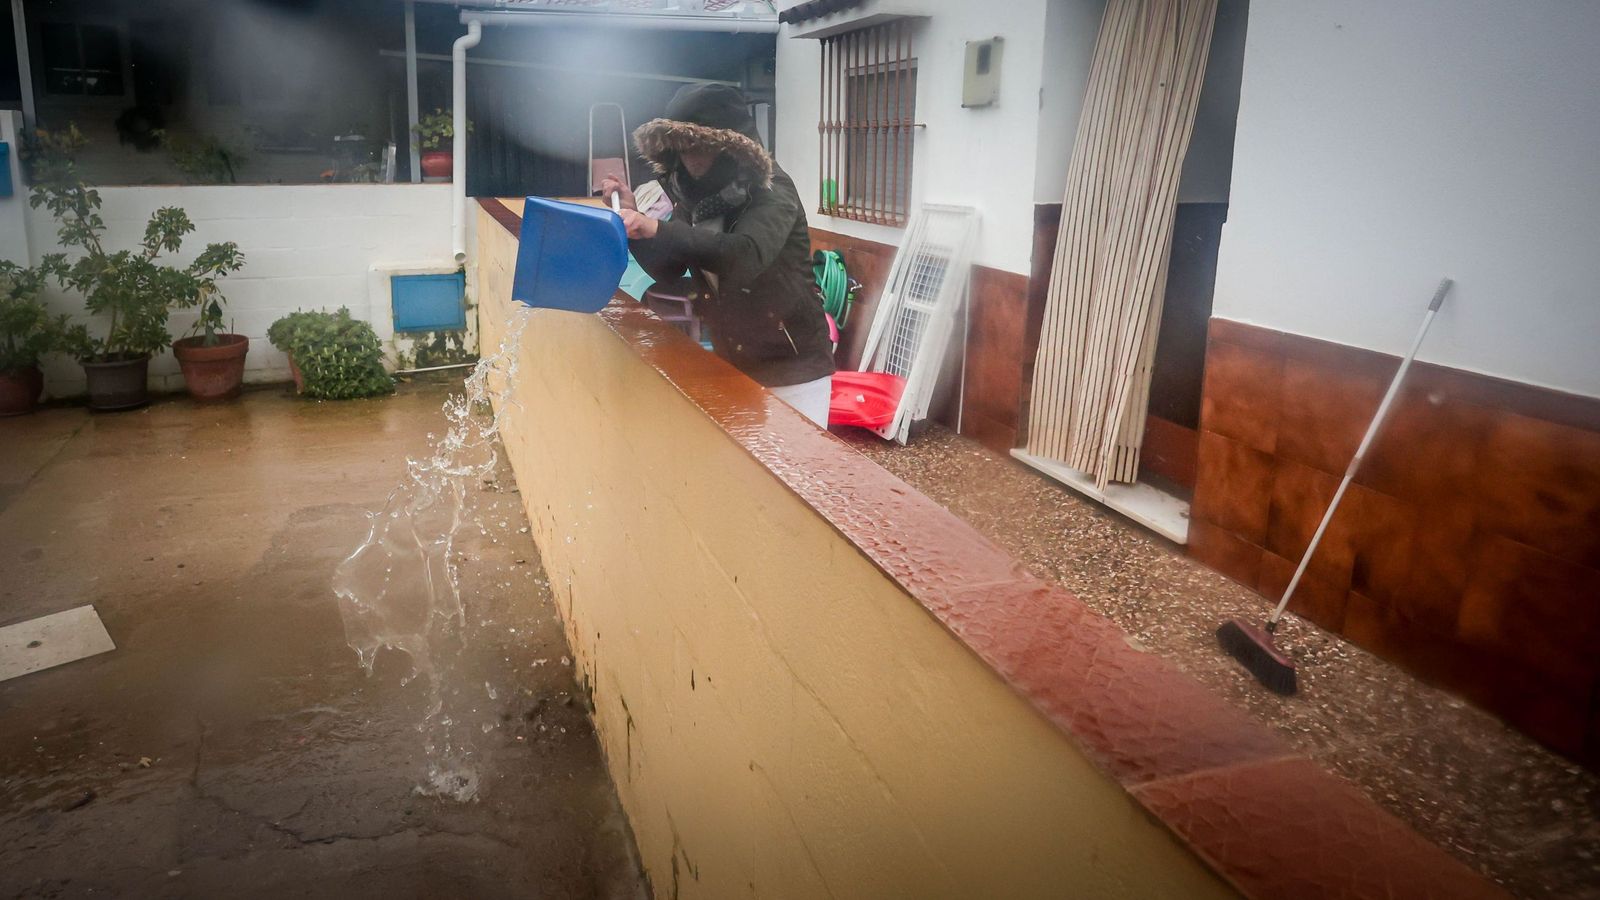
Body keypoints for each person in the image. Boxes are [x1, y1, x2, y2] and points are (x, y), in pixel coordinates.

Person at [601, 84, 835, 427]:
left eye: (702, 146)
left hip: (794, 364)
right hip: (733, 360)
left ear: (730, 147)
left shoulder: (773, 189)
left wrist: (655, 228)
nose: (692, 157)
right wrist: (635, 224)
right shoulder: (693, 196)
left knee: (800, 478)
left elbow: (744, 256)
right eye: (682, 146)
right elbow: (670, 266)